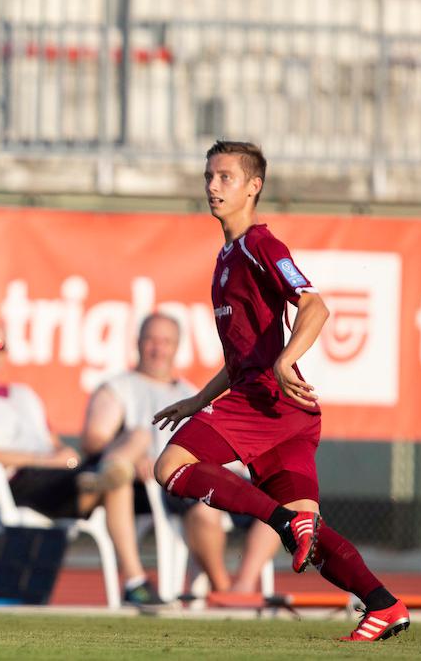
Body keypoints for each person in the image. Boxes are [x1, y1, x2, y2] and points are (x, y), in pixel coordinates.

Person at [152, 141, 408, 641]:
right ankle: (383, 603)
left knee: (169, 467)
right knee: (308, 536)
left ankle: (284, 523)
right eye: (208, 176)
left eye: (225, 177)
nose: (212, 186)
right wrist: (198, 401)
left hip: (266, 400)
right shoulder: (227, 256)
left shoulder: (259, 244)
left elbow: (315, 306)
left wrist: (287, 358)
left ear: (254, 186)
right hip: (285, 411)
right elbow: (240, 357)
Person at [84, 312, 279, 605]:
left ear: (177, 347)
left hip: (211, 472)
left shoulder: (192, 394)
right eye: (151, 340)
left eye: (166, 341)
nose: (158, 348)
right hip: (167, 481)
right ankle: (223, 588)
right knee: (205, 511)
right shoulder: (119, 388)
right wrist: (130, 460)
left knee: (279, 505)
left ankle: (244, 588)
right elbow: (96, 440)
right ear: (137, 343)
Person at [0, 320, 96, 522]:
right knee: (104, 484)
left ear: (6, 352)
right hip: (15, 486)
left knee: (114, 478)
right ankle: (97, 486)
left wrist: (64, 456)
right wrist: (44, 460)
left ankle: (100, 483)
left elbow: (55, 445)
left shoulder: (25, 395)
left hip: (54, 477)